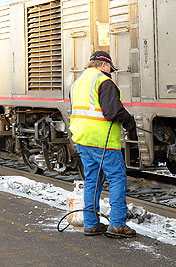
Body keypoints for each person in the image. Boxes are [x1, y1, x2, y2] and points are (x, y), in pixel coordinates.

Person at [69, 51, 137, 238]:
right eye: (109, 69)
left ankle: (90, 223)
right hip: (102, 139)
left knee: (92, 179)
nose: (110, 73)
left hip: (83, 138)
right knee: (117, 177)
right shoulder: (103, 81)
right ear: (103, 65)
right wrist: (129, 122)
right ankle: (117, 224)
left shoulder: (77, 83)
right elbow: (112, 112)